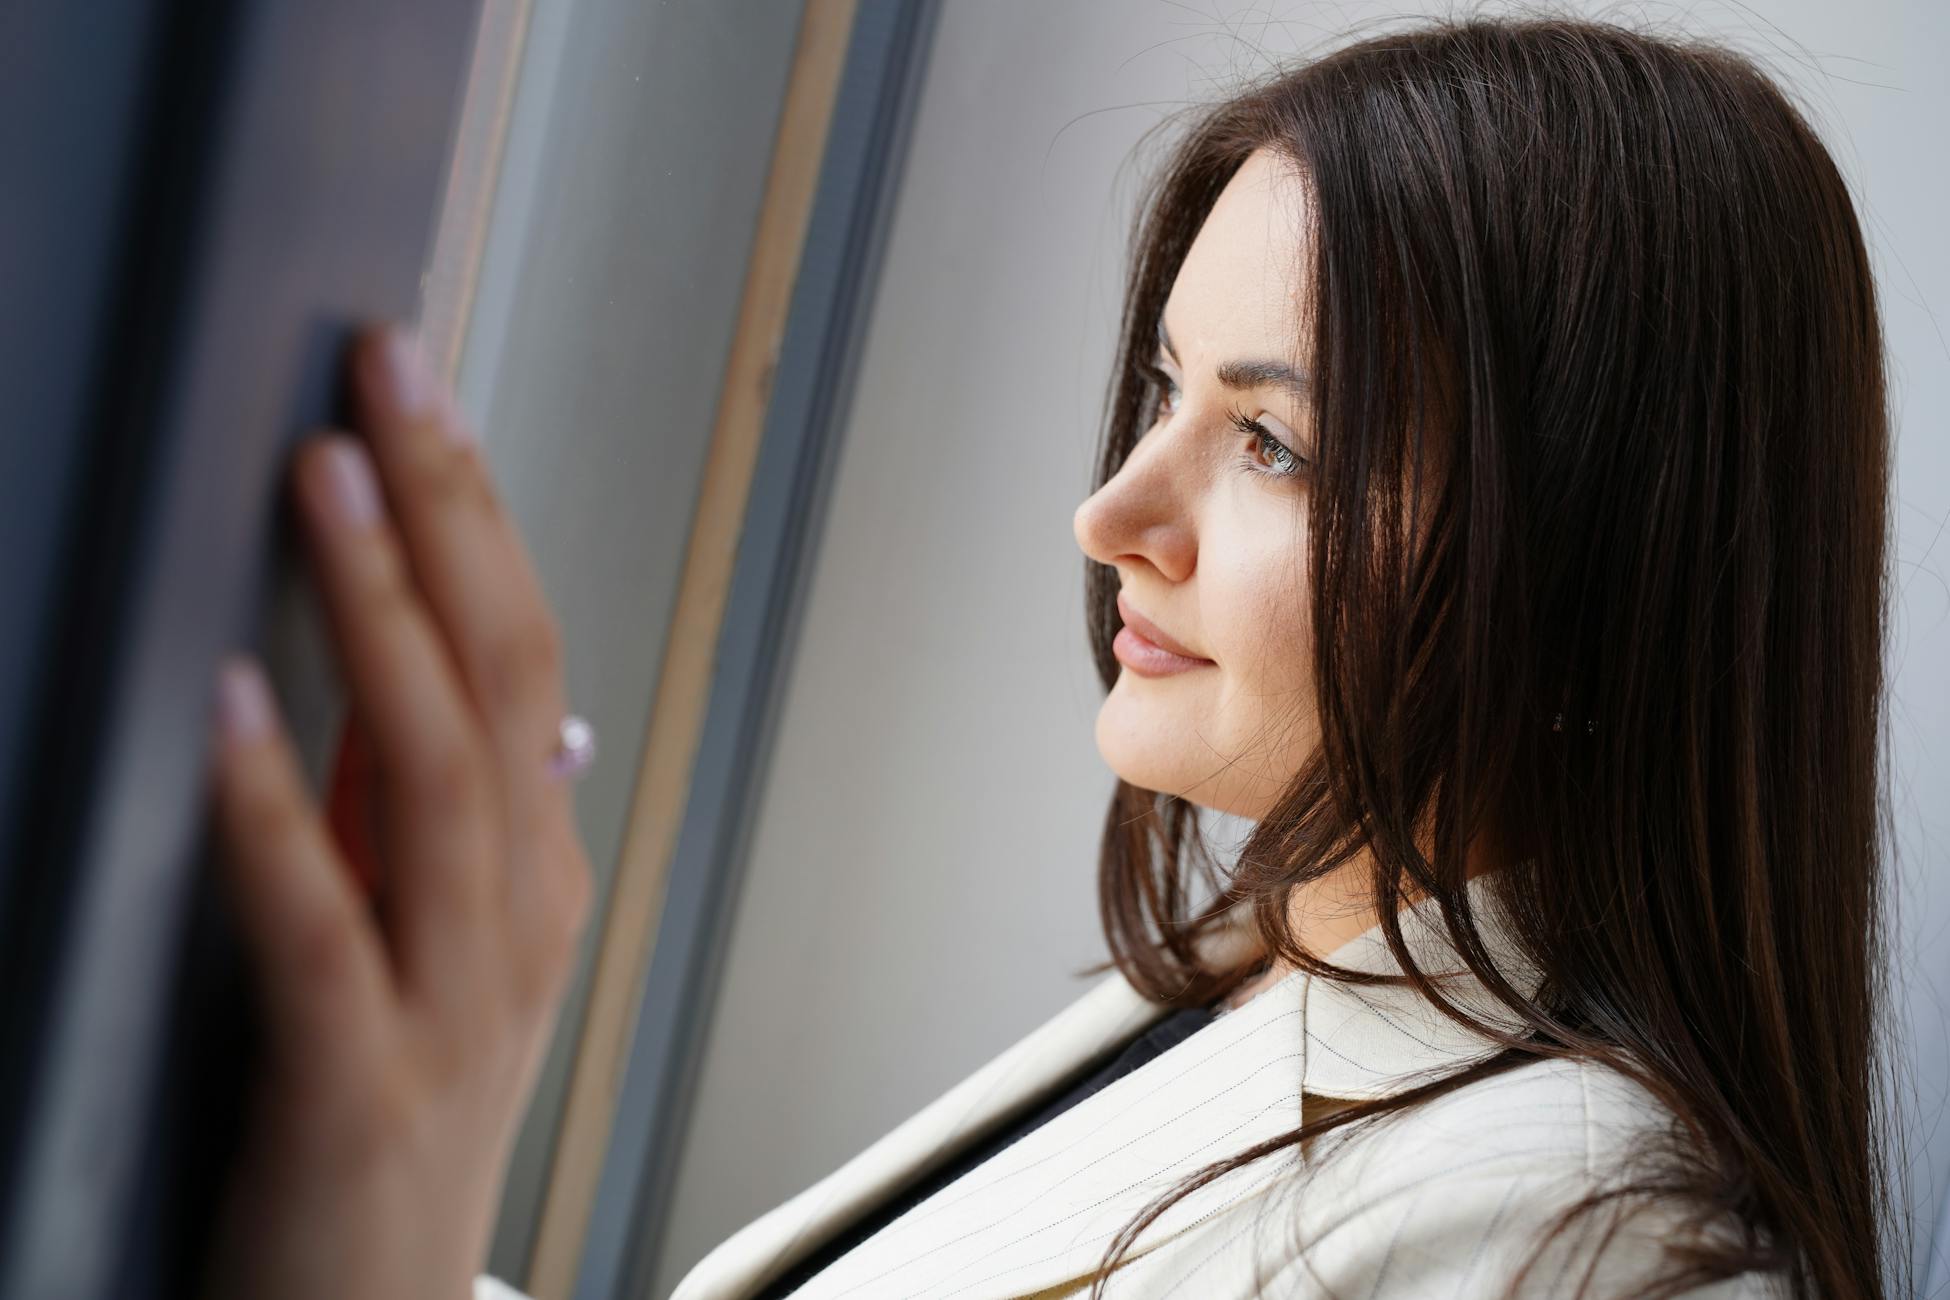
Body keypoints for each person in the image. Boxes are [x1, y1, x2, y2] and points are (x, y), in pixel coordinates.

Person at [194, 15, 1903, 1300]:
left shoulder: (1591, 1239)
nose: (1112, 513)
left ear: (1586, 554)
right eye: (1171, 391)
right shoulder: (1273, 978)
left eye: (1276, 445)